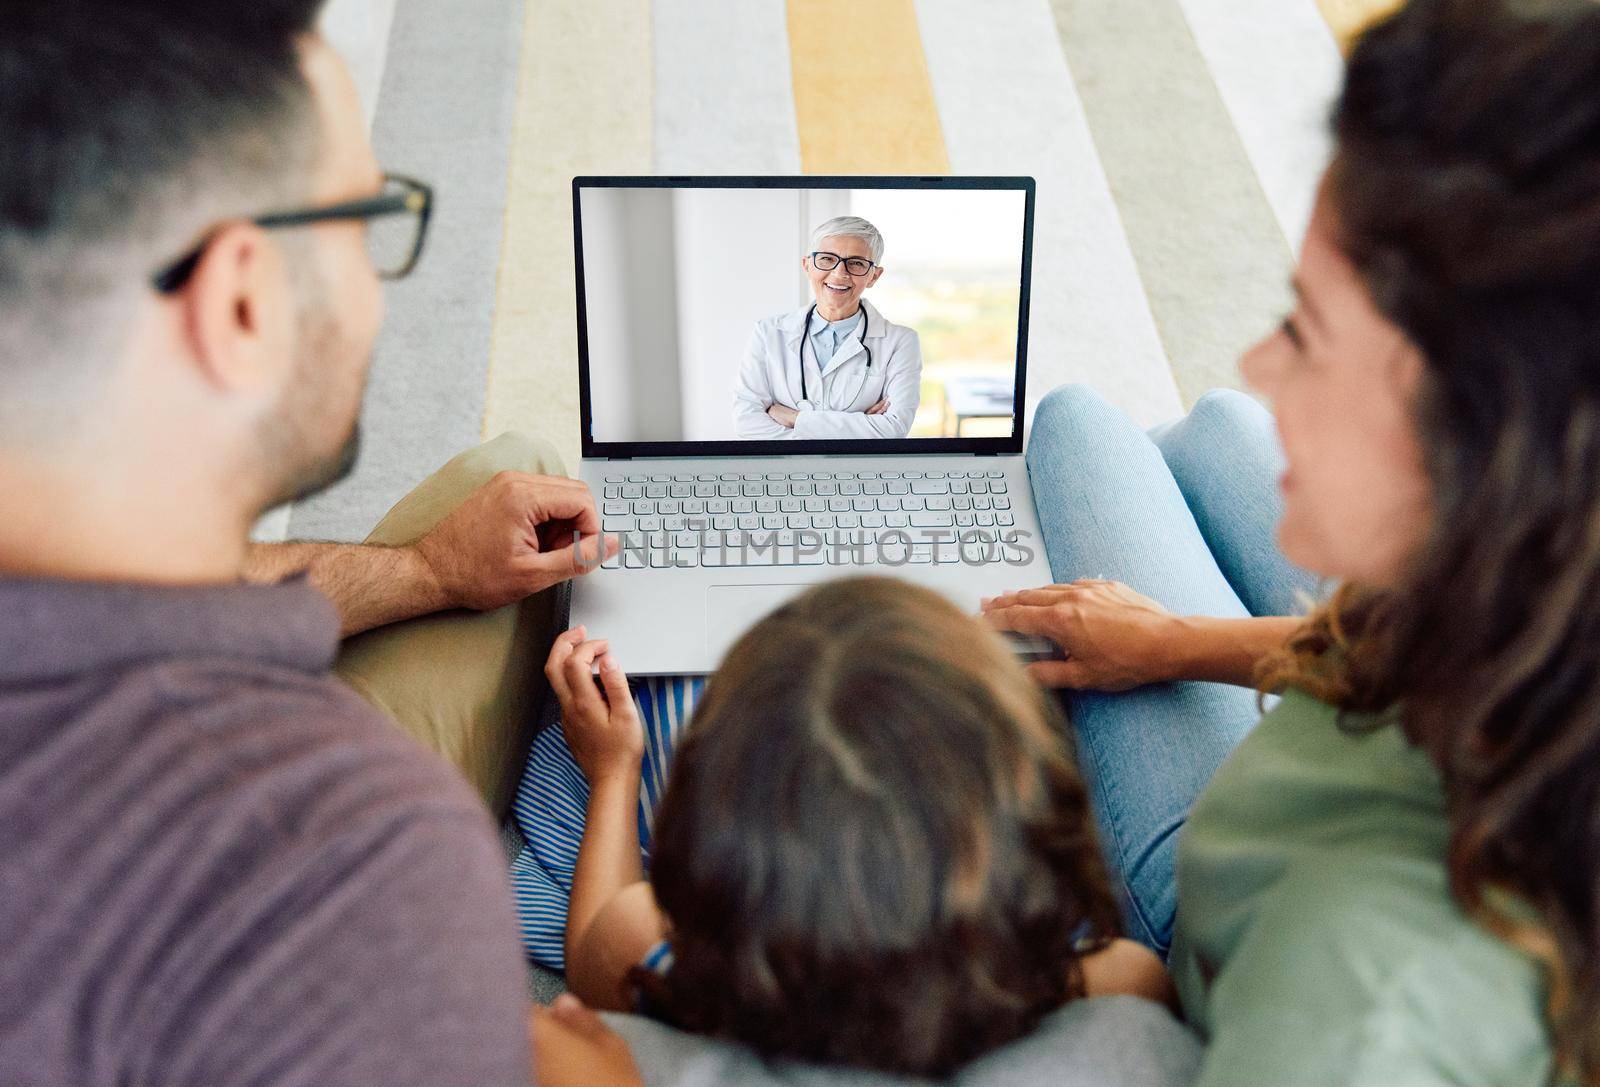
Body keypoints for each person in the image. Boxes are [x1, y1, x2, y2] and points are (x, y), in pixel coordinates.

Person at [0, 2, 635, 1083]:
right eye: (362, 218)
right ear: (242, 299)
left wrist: (429, 571)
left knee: (519, 466)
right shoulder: (354, 857)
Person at [985, 0, 1600, 1081]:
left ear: (1477, 440)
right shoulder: (1539, 581)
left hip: (1223, 922)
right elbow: (1381, 645)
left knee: (1082, 421)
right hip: (1353, 766)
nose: (1265, 361)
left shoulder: (1352, 1006)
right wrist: (1174, 641)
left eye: (1307, 332)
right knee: (1219, 424)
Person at [513, 577, 1176, 1078]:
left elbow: (593, 945)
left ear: (708, 851)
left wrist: (615, 770)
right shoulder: (1108, 982)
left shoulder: (660, 957)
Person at [733, 216, 923, 439]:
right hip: (785, 470)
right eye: (826, 259)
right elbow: (746, 424)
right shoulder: (768, 333)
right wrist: (860, 427)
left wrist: (796, 419)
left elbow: (893, 429)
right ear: (807, 265)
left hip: (858, 472)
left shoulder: (900, 342)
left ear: (874, 276)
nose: (839, 273)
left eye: (856, 263)